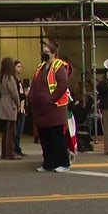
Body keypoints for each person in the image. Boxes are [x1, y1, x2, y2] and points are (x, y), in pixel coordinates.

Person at [29, 42, 71, 172]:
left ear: (53, 53)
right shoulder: (41, 67)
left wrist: (52, 99)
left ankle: (63, 163)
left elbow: (62, 84)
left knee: (56, 137)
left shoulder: (59, 66)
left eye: (46, 52)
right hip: (41, 110)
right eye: (43, 52)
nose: (44, 54)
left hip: (54, 109)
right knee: (45, 138)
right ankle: (49, 163)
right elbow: (35, 84)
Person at [0, 57, 21, 160]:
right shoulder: (10, 78)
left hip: (3, 102)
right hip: (10, 103)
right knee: (11, 130)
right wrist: (18, 104)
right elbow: (15, 93)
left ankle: (4, 152)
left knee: (5, 130)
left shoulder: (1, 77)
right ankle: (10, 152)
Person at [13, 60, 28, 156]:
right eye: (18, 66)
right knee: (16, 130)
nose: (20, 68)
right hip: (17, 108)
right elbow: (17, 95)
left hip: (22, 108)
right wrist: (25, 94)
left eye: (20, 66)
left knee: (20, 130)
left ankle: (18, 147)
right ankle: (15, 148)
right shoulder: (13, 80)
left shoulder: (20, 80)